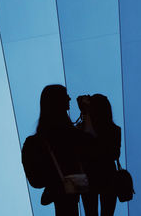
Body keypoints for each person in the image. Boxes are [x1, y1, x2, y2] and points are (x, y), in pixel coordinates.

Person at [22, 85, 88, 216]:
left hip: (58, 194)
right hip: (72, 195)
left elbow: (35, 180)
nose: (69, 98)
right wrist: (86, 113)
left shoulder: (37, 141)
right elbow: (91, 146)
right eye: (65, 96)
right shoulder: (72, 135)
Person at [78, 94, 121, 216]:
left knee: (90, 212)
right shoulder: (115, 130)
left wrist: (85, 114)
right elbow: (114, 154)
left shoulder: (83, 128)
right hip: (108, 176)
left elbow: (86, 148)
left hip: (90, 176)